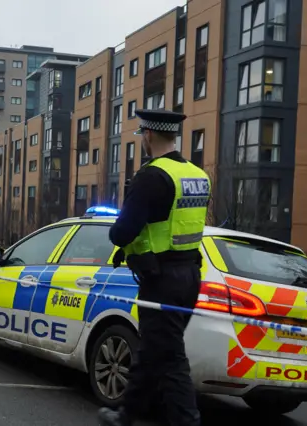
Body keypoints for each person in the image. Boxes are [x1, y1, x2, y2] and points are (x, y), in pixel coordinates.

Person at [97, 109, 210, 426]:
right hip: (189, 274)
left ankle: (186, 421)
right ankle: (128, 414)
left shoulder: (150, 177)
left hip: (162, 279)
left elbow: (122, 232)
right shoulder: (197, 175)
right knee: (152, 349)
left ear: (147, 135)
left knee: (170, 356)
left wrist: (124, 241)